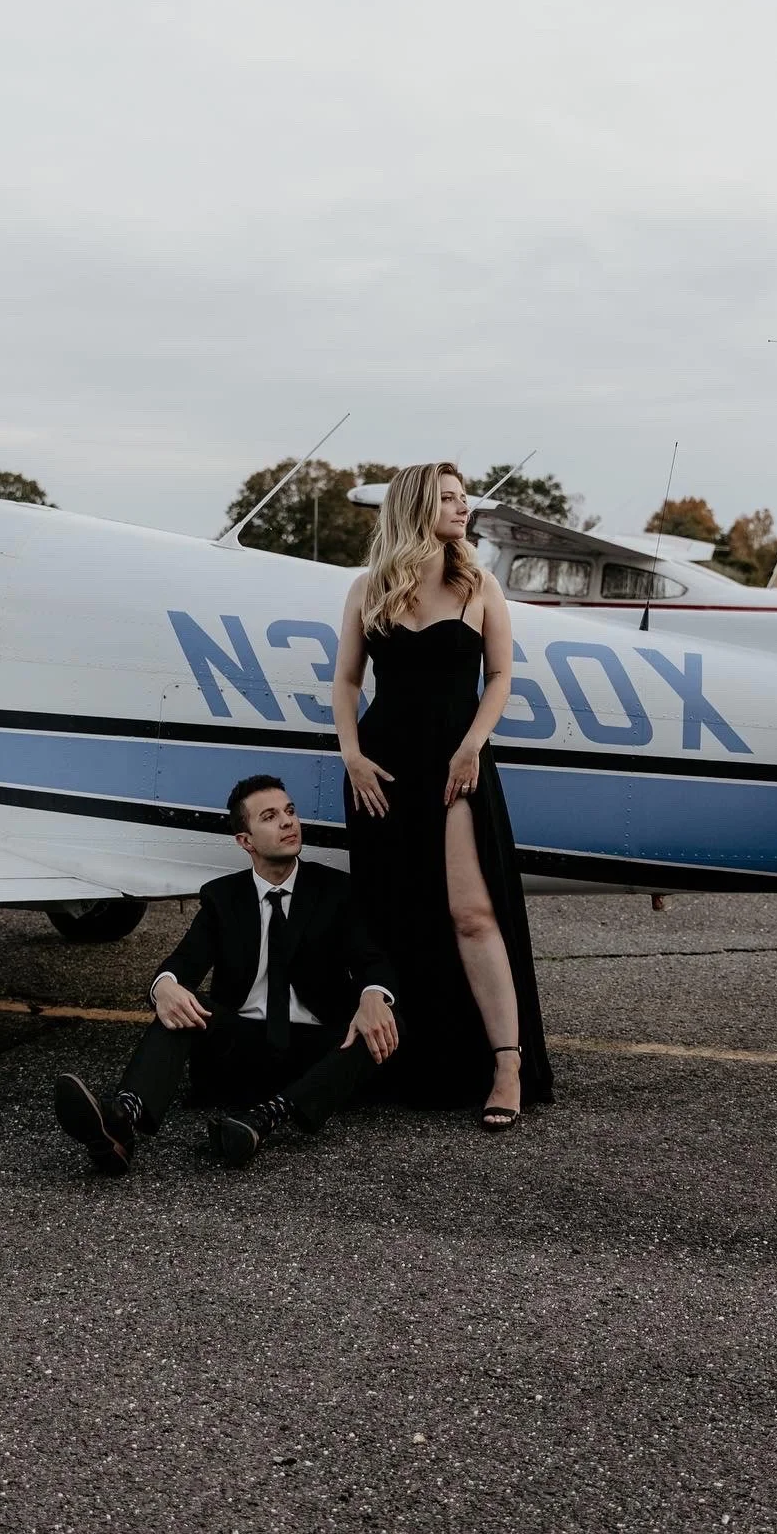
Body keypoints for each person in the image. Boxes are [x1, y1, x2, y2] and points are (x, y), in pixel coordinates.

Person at [333, 461, 553, 1128]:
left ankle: (507, 1063)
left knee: (472, 914)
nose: (464, 509)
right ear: (417, 506)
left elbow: (501, 676)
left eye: (464, 499)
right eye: (451, 499)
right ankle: (406, 1062)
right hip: (382, 768)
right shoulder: (368, 588)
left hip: (457, 765)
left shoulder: (479, 583)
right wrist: (352, 755)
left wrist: (472, 744)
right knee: (395, 912)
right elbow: (346, 682)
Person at [53, 775, 400, 1172]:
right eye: (269, 817)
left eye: (290, 811)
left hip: (315, 1054)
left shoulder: (335, 889)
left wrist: (373, 995)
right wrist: (163, 988)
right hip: (240, 1047)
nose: (288, 822)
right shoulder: (223, 897)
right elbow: (181, 964)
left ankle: (264, 1119)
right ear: (245, 840)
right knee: (180, 1003)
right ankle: (122, 1116)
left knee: (391, 1019)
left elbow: (373, 961)